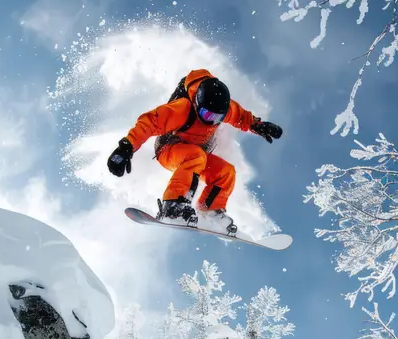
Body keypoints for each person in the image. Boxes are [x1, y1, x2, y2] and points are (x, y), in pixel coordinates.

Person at [107, 68, 282, 235]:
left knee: (225, 172)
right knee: (196, 156)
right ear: (198, 103)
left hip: (197, 157)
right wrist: (126, 146)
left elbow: (241, 116)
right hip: (169, 149)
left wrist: (258, 126)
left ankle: (210, 211)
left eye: (217, 118)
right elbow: (150, 122)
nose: (211, 121)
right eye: (206, 115)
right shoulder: (183, 108)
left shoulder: (219, 108)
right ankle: (173, 206)